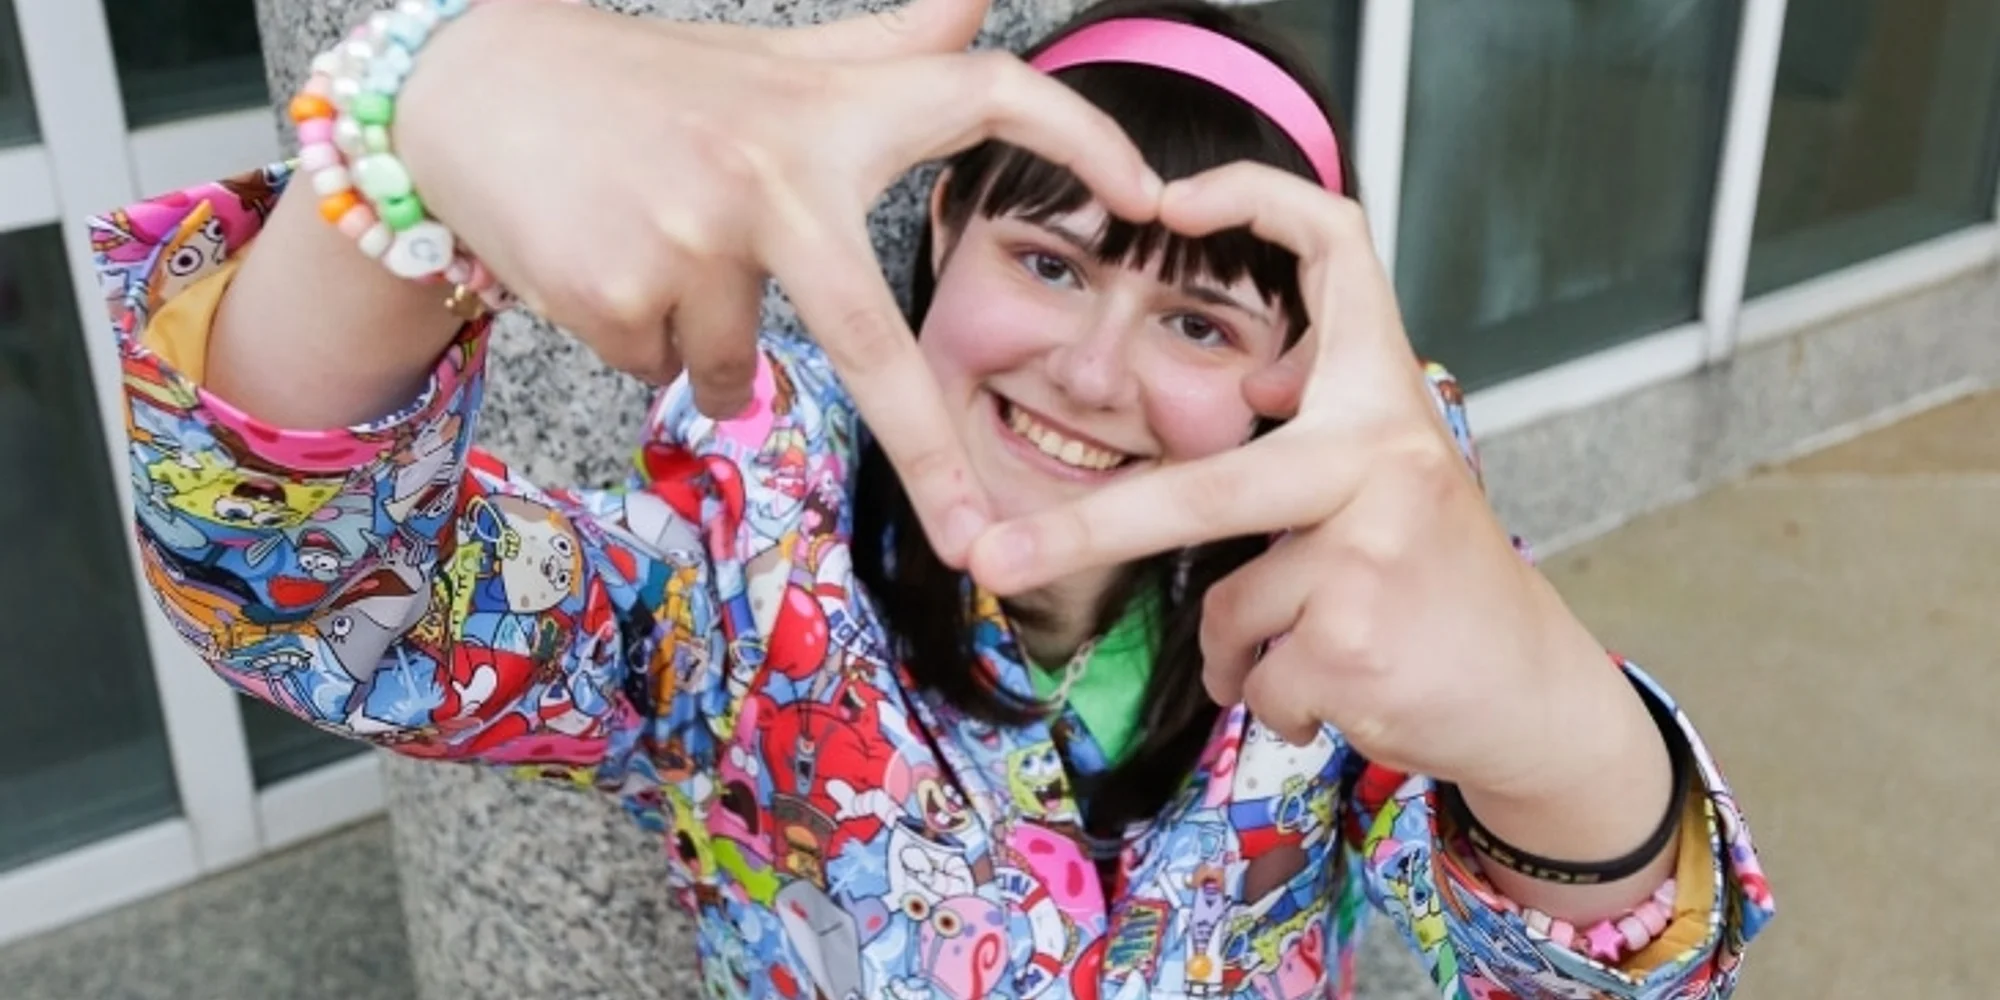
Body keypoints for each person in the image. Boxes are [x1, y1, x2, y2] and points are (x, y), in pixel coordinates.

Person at [100, 0, 1773, 996]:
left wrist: (1564, 742)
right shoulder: (732, 577)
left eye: (1201, 322)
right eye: (1049, 261)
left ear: (1300, 371)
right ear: (945, 234)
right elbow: (318, 594)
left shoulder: (1357, 623)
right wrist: (408, 139)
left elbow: (1603, 971)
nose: (1093, 371)